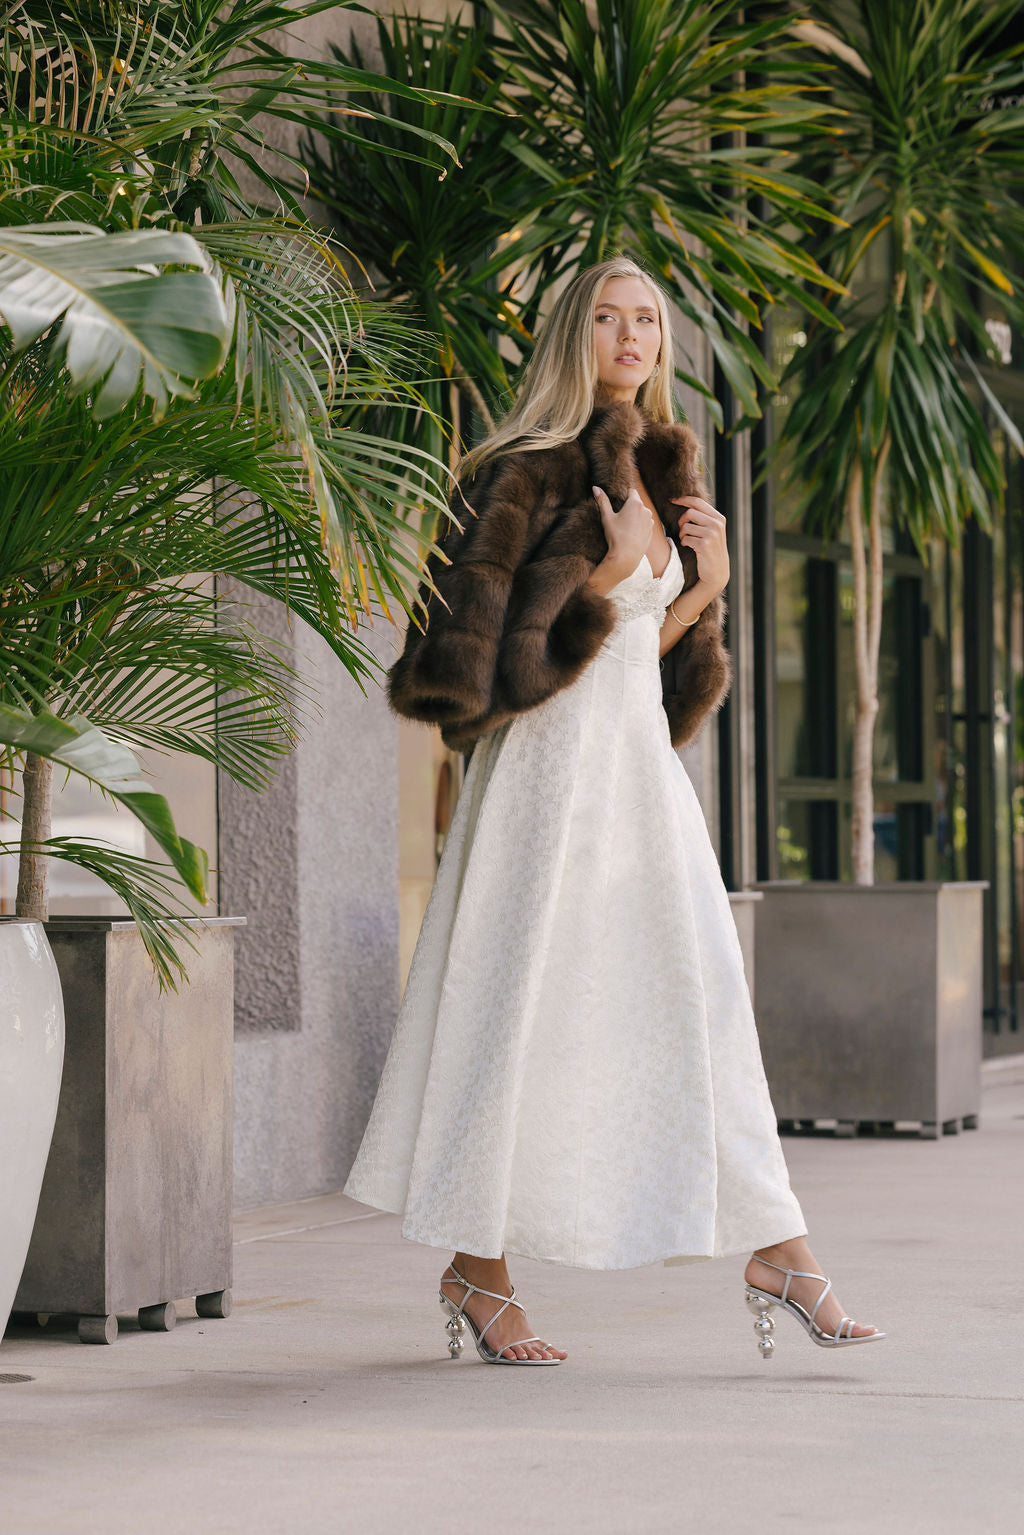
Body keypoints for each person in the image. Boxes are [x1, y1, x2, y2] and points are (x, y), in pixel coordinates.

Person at [343, 256, 885, 1366]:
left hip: (635, 780)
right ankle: (479, 1267)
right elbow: (463, 675)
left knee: (701, 1003)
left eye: (647, 320)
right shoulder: (517, 471)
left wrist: (701, 589)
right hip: (543, 788)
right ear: (569, 332)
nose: (631, 337)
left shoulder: (661, 466)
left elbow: (641, 660)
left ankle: (780, 1246)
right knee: (522, 1010)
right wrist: (606, 576)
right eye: (608, 317)